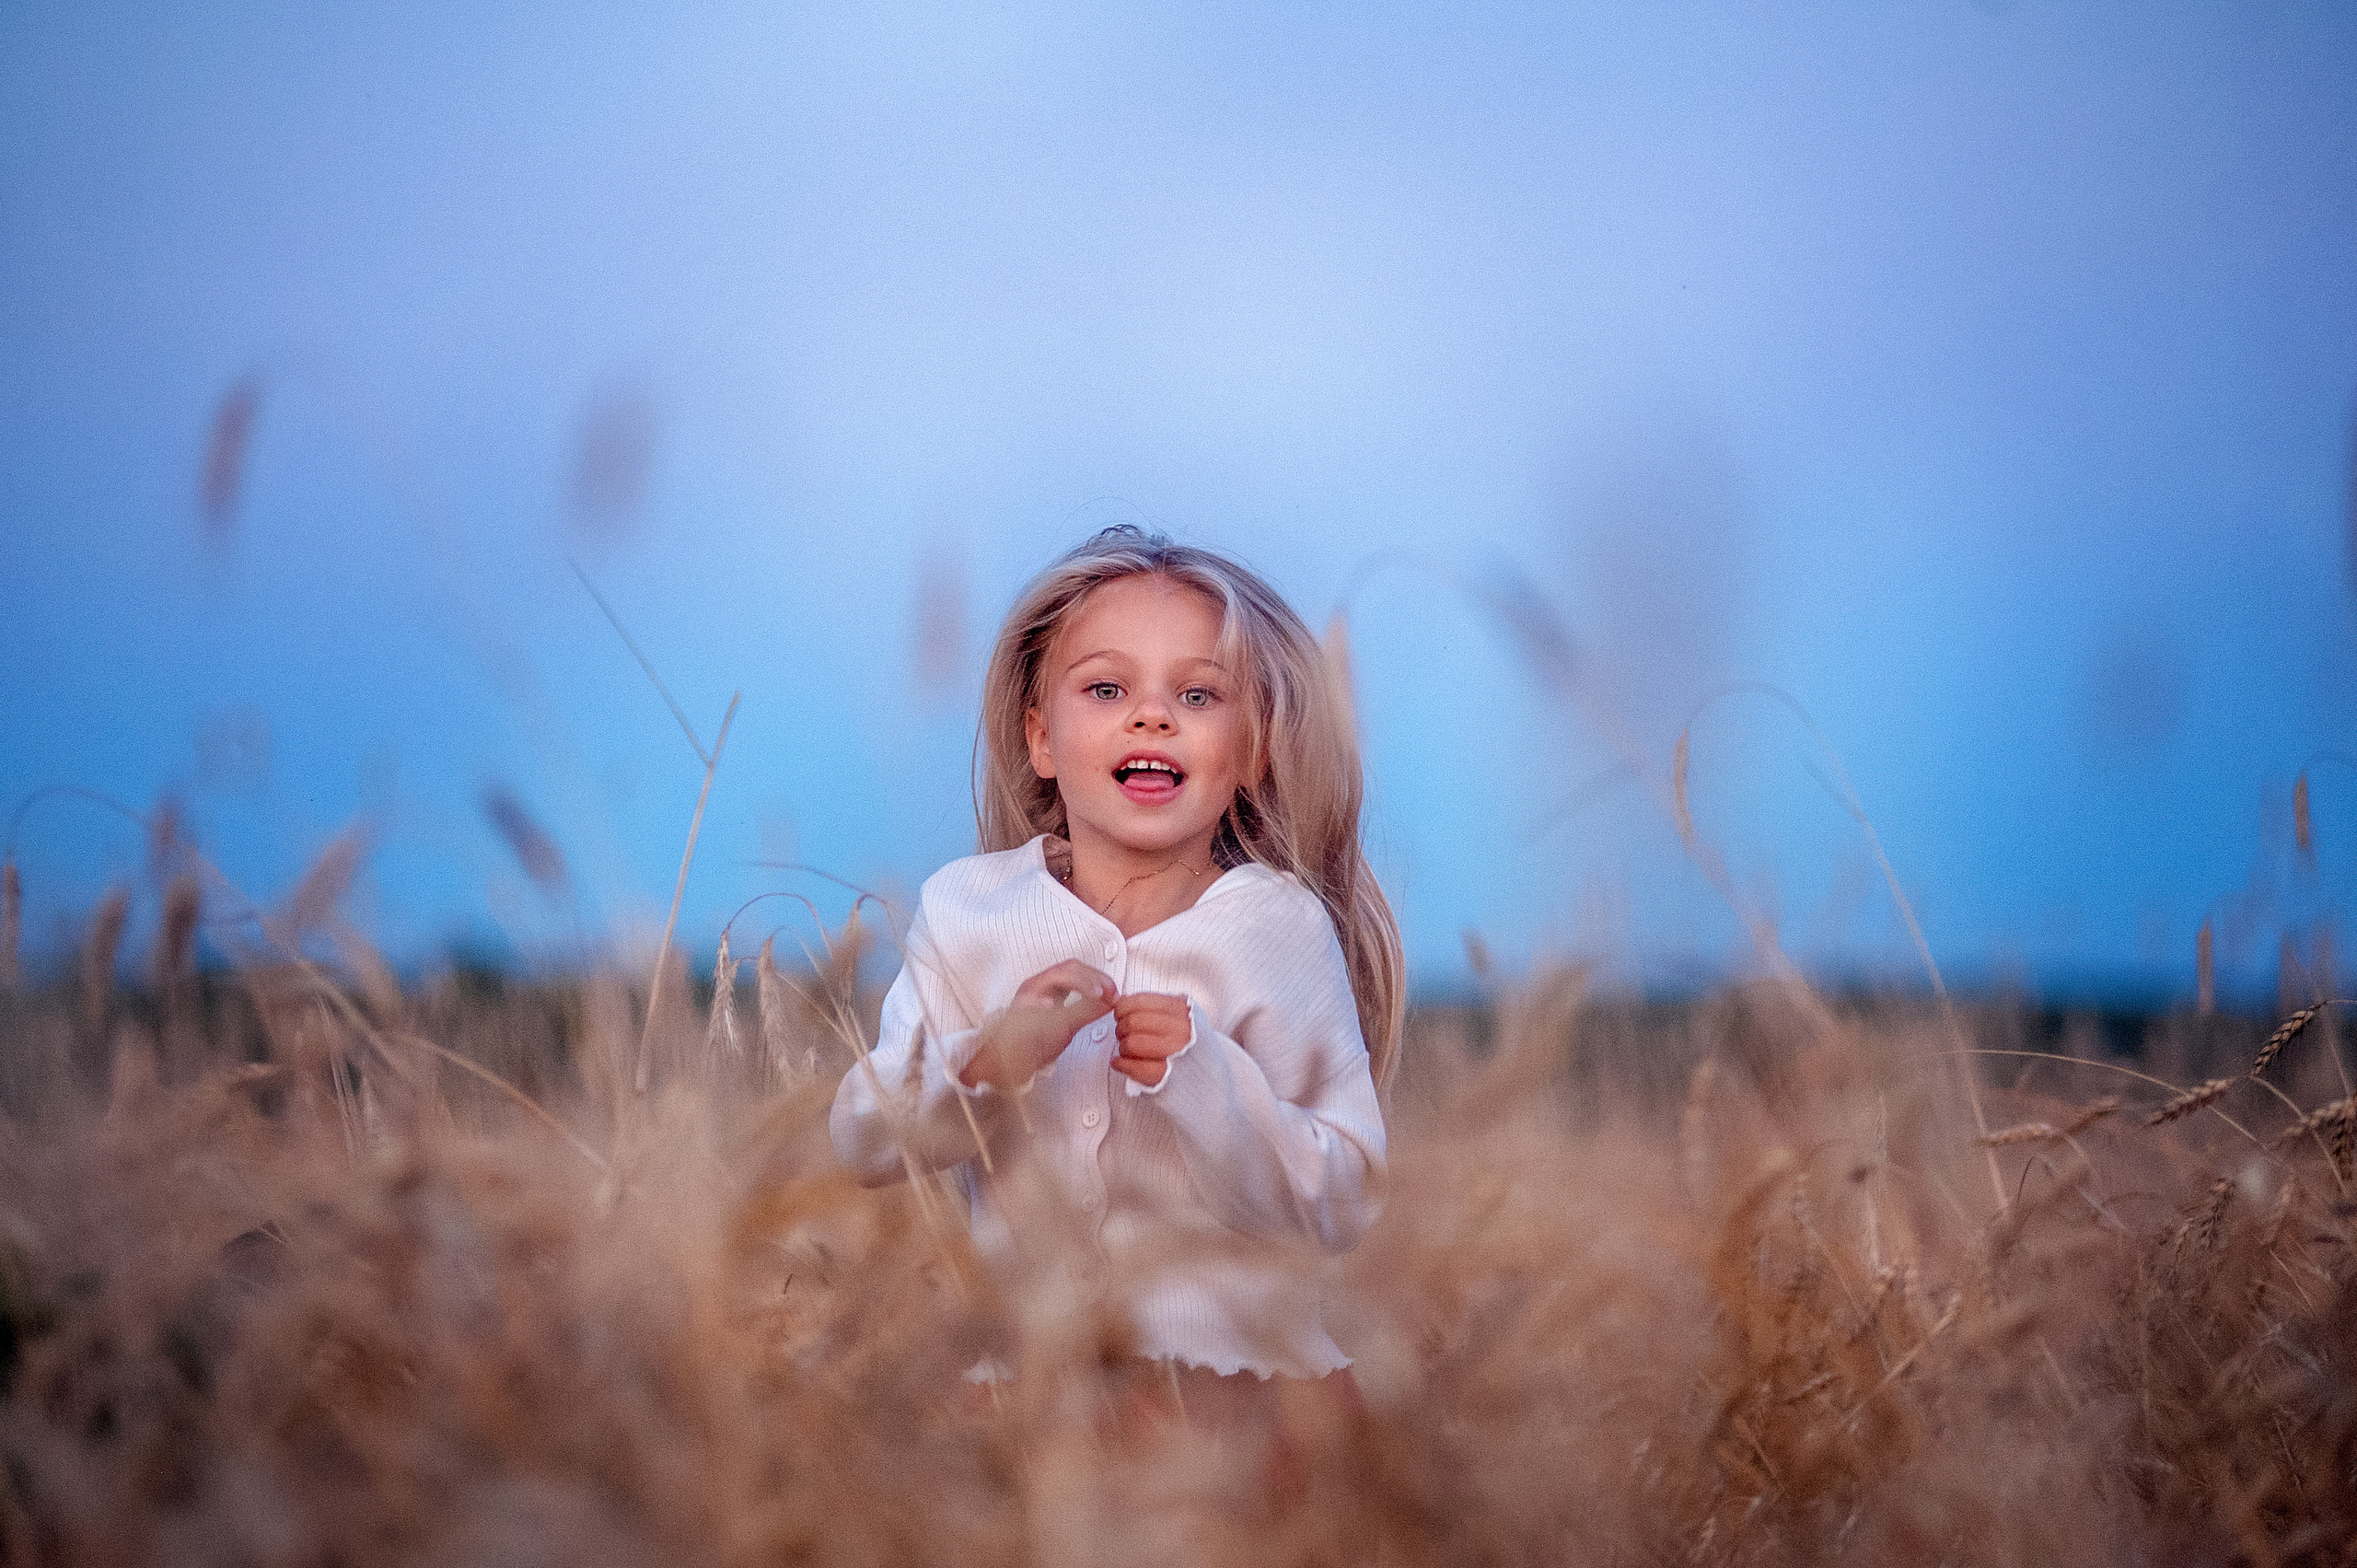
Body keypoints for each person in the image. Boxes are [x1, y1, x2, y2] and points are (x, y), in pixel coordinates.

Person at [829, 525, 1402, 1409]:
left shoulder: (1276, 928)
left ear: (1252, 752)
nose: (1152, 714)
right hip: (1027, 1396)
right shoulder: (968, 910)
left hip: (1243, 1405)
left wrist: (1210, 1078)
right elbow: (863, 1137)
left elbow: (1348, 1200)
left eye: (1199, 694)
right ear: (1042, 740)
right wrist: (983, 1060)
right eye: (1106, 687)